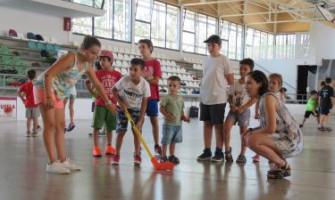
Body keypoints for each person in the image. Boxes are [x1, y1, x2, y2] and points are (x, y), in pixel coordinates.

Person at [33, 36, 117, 174]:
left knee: (61, 126)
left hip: (59, 92)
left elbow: (97, 84)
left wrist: (108, 102)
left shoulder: (87, 66)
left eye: (97, 54)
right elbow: (48, 74)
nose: (95, 57)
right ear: (82, 49)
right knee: (51, 125)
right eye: (92, 53)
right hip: (44, 87)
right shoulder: (70, 58)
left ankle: (62, 160)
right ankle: (52, 163)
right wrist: (48, 96)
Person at [243, 70, 303, 179]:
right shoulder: (263, 98)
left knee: (251, 140)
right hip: (283, 137)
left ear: (260, 84)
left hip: (291, 141)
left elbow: (270, 129)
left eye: (249, 83)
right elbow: (266, 126)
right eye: (245, 83)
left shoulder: (268, 98)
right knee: (249, 137)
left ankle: (283, 165)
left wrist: (251, 132)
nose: (246, 86)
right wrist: (251, 130)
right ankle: (280, 164)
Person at [197, 35, 234, 162]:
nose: (210, 47)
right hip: (205, 97)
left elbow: (230, 80)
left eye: (213, 45)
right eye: (208, 45)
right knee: (207, 124)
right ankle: (207, 151)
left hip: (218, 97)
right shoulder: (205, 60)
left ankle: (219, 152)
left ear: (220, 46)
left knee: (218, 125)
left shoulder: (224, 60)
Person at [112, 58, 151, 166]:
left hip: (136, 110)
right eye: (130, 69)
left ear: (142, 72)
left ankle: (137, 154)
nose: (132, 72)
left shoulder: (145, 85)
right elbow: (113, 91)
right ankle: (116, 154)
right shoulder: (125, 80)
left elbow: (144, 104)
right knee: (121, 131)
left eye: (135, 70)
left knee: (137, 132)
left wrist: (140, 120)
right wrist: (120, 102)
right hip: (122, 108)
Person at [85, 50, 122, 157]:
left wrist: (119, 99)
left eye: (104, 60)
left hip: (113, 104)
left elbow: (121, 87)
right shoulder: (97, 73)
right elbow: (86, 82)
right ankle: (96, 147)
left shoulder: (117, 74)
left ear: (111, 61)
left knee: (110, 127)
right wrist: (92, 93)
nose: (102, 62)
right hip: (100, 104)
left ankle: (109, 146)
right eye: (100, 60)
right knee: (97, 126)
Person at [224, 58, 257, 163]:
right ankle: (227, 150)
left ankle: (242, 154)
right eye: (240, 68)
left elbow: (254, 99)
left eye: (245, 69)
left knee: (243, 132)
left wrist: (243, 107)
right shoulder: (234, 83)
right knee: (226, 128)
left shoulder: (252, 84)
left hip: (244, 111)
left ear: (250, 70)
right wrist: (231, 105)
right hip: (233, 111)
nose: (242, 71)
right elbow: (229, 96)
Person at [252, 73, 284, 162]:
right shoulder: (265, 94)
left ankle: (276, 157)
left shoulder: (279, 96)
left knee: (268, 137)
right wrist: (256, 113)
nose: (271, 85)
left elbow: (281, 109)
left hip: (275, 122)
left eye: (274, 83)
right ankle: (258, 154)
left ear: (279, 85)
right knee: (261, 136)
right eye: (269, 82)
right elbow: (258, 102)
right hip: (265, 120)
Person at [138, 39, 162, 155]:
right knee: (139, 121)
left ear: (150, 48)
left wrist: (145, 79)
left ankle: (157, 144)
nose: (141, 49)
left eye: (143, 47)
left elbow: (156, 81)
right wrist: (149, 78)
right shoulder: (138, 63)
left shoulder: (156, 63)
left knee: (154, 120)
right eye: (139, 47)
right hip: (139, 97)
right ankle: (138, 145)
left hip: (152, 96)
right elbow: (136, 80)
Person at [159, 76, 190, 164]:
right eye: (170, 85)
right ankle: (163, 156)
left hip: (178, 125)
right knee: (166, 141)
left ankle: (171, 156)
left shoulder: (181, 99)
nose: (172, 87)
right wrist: (167, 115)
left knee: (173, 141)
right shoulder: (166, 98)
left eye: (174, 85)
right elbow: (161, 109)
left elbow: (181, 111)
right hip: (168, 124)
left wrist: (184, 118)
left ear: (179, 86)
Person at [17, 69, 41, 137]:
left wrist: (23, 99)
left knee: (28, 119)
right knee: (35, 118)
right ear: (35, 76)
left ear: (27, 76)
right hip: (36, 104)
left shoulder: (26, 84)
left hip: (28, 104)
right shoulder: (37, 84)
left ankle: (28, 131)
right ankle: (35, 132)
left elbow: (18, 92)